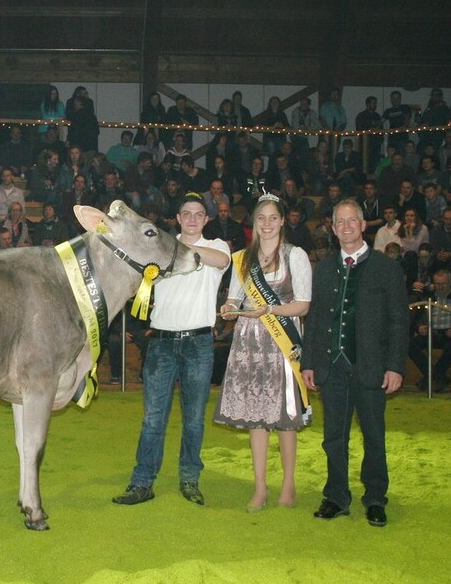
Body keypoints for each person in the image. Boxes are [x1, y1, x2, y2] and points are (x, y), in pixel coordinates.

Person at [112, 194, 231, 507]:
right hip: (162, 343)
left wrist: (171, 247)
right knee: (153, 419)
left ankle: (189, 478)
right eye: (186, 214)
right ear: (177, 218)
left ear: (207, 220)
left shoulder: (217, 246)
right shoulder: (159, 247)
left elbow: (222, 263)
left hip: (199, 343)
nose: (192, 219)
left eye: (198, 214)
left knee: (194, 419)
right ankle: (142, 482)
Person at [302, 199, 409, 528]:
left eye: (353, 221)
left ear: (364, 226)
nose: (346, 226)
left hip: (372, 369)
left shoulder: (386, 267)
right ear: (333, 229)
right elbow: (316, 321)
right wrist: (310, 362)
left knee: (374, 435)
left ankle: (376, 497)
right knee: (334, 436)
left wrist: (395, 366)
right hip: (332, 368)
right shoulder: (323, 269)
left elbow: (398, 321)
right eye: (340, 222)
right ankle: (336, 495)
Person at [215, 196, 312, 511]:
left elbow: (303, 304)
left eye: (273, 218)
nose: (267, 224)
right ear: (253, 223)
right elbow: (234, 299)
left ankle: (288, 484)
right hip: (250, 344)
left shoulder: (295, 255)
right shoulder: (241, 259)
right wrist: (228, 309)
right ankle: (259, 488)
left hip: (282, 340)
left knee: (285, 418)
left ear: (283, 221)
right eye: (261, 218)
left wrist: (270, 308)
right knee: (257, 417)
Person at [408, 269, 451, 393]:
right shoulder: (427, 298)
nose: (440, 287)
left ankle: (431, 377)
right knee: (410, 345)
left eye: (444, 283)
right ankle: (437, 377)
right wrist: (419, 328)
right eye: (437, 283)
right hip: (431, 333)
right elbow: (415, 320)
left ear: (450, 282)